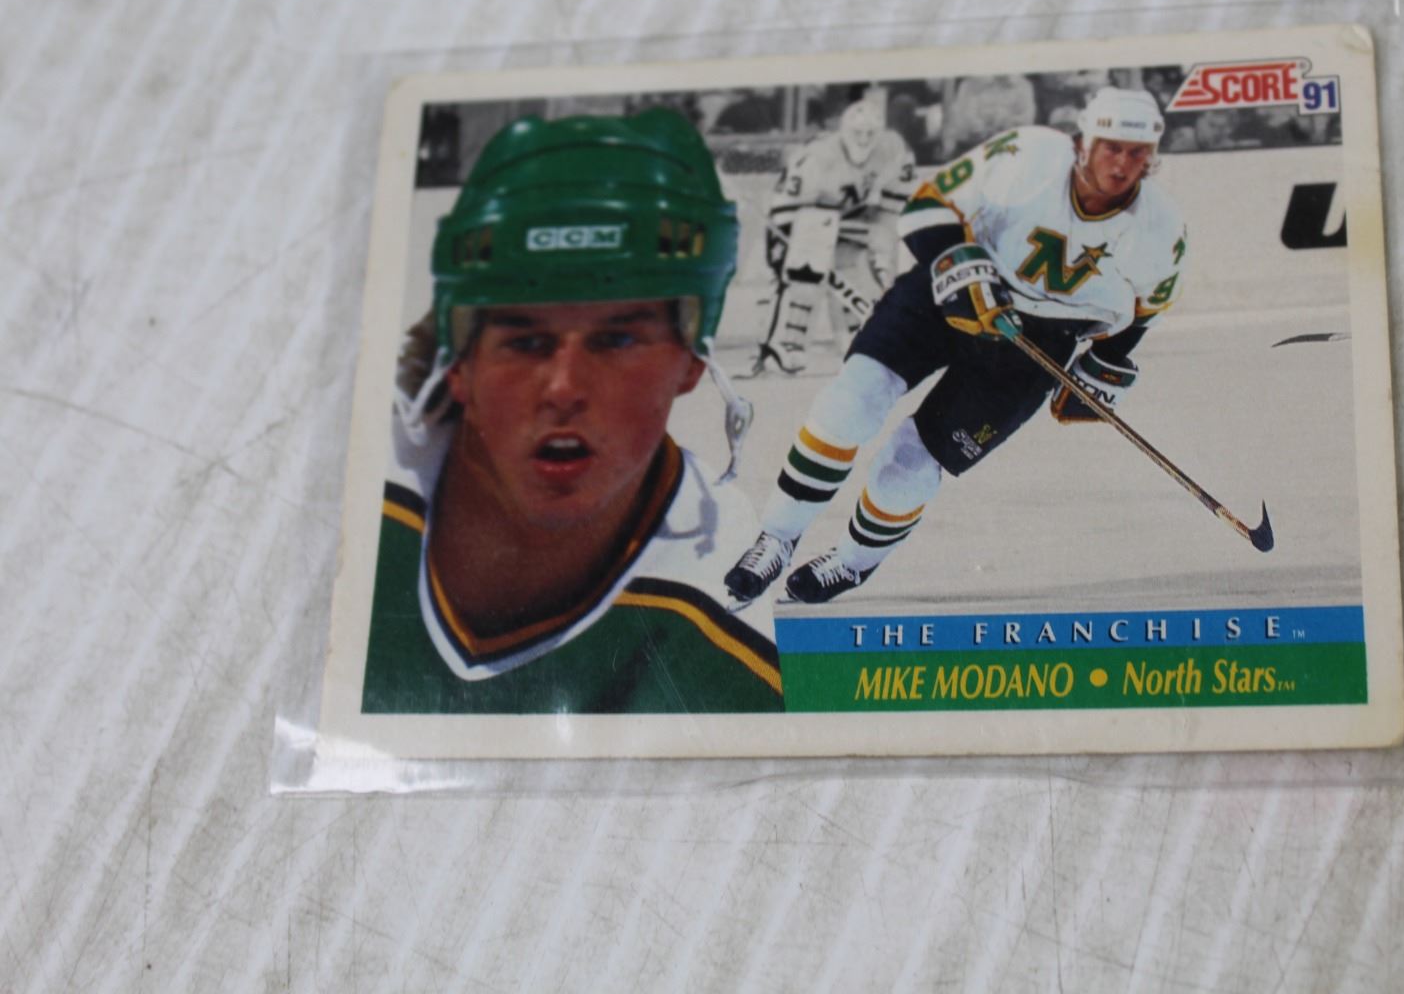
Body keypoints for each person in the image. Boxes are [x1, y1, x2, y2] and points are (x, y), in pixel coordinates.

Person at [361, 110, 784, 714]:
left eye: (617, 340)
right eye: (525, 340)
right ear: (459, 365)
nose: (563, 388)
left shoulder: (712, 579)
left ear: (692, 361)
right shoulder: (360, 476)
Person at [725, 87, 1188, 604]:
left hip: (1037, 343)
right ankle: (778, 536)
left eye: (1136, 152)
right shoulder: (1028, 153)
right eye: (1111, 147)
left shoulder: (1162, 227)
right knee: (850, 402)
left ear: (1152, 156)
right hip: (948, 290)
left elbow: (1146, 307)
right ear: (1083, 142)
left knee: (912, 463)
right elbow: (929, 206)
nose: (1121, 165)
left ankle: (852, 562)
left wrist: (1104, 361)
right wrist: (962, 266)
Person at [746, 99, 916, 376]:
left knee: (857, 272)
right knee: (805, 274)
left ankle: (855, 338)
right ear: (844, 131)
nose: (864, 139)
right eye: (858, 132)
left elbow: (895, 201)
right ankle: (789, 343)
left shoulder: (893, 148)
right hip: (802, 215)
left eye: (870, 133)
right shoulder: (818, 155)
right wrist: (791, 246)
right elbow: (787, 203)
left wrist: (881, 239)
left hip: (852, 213)